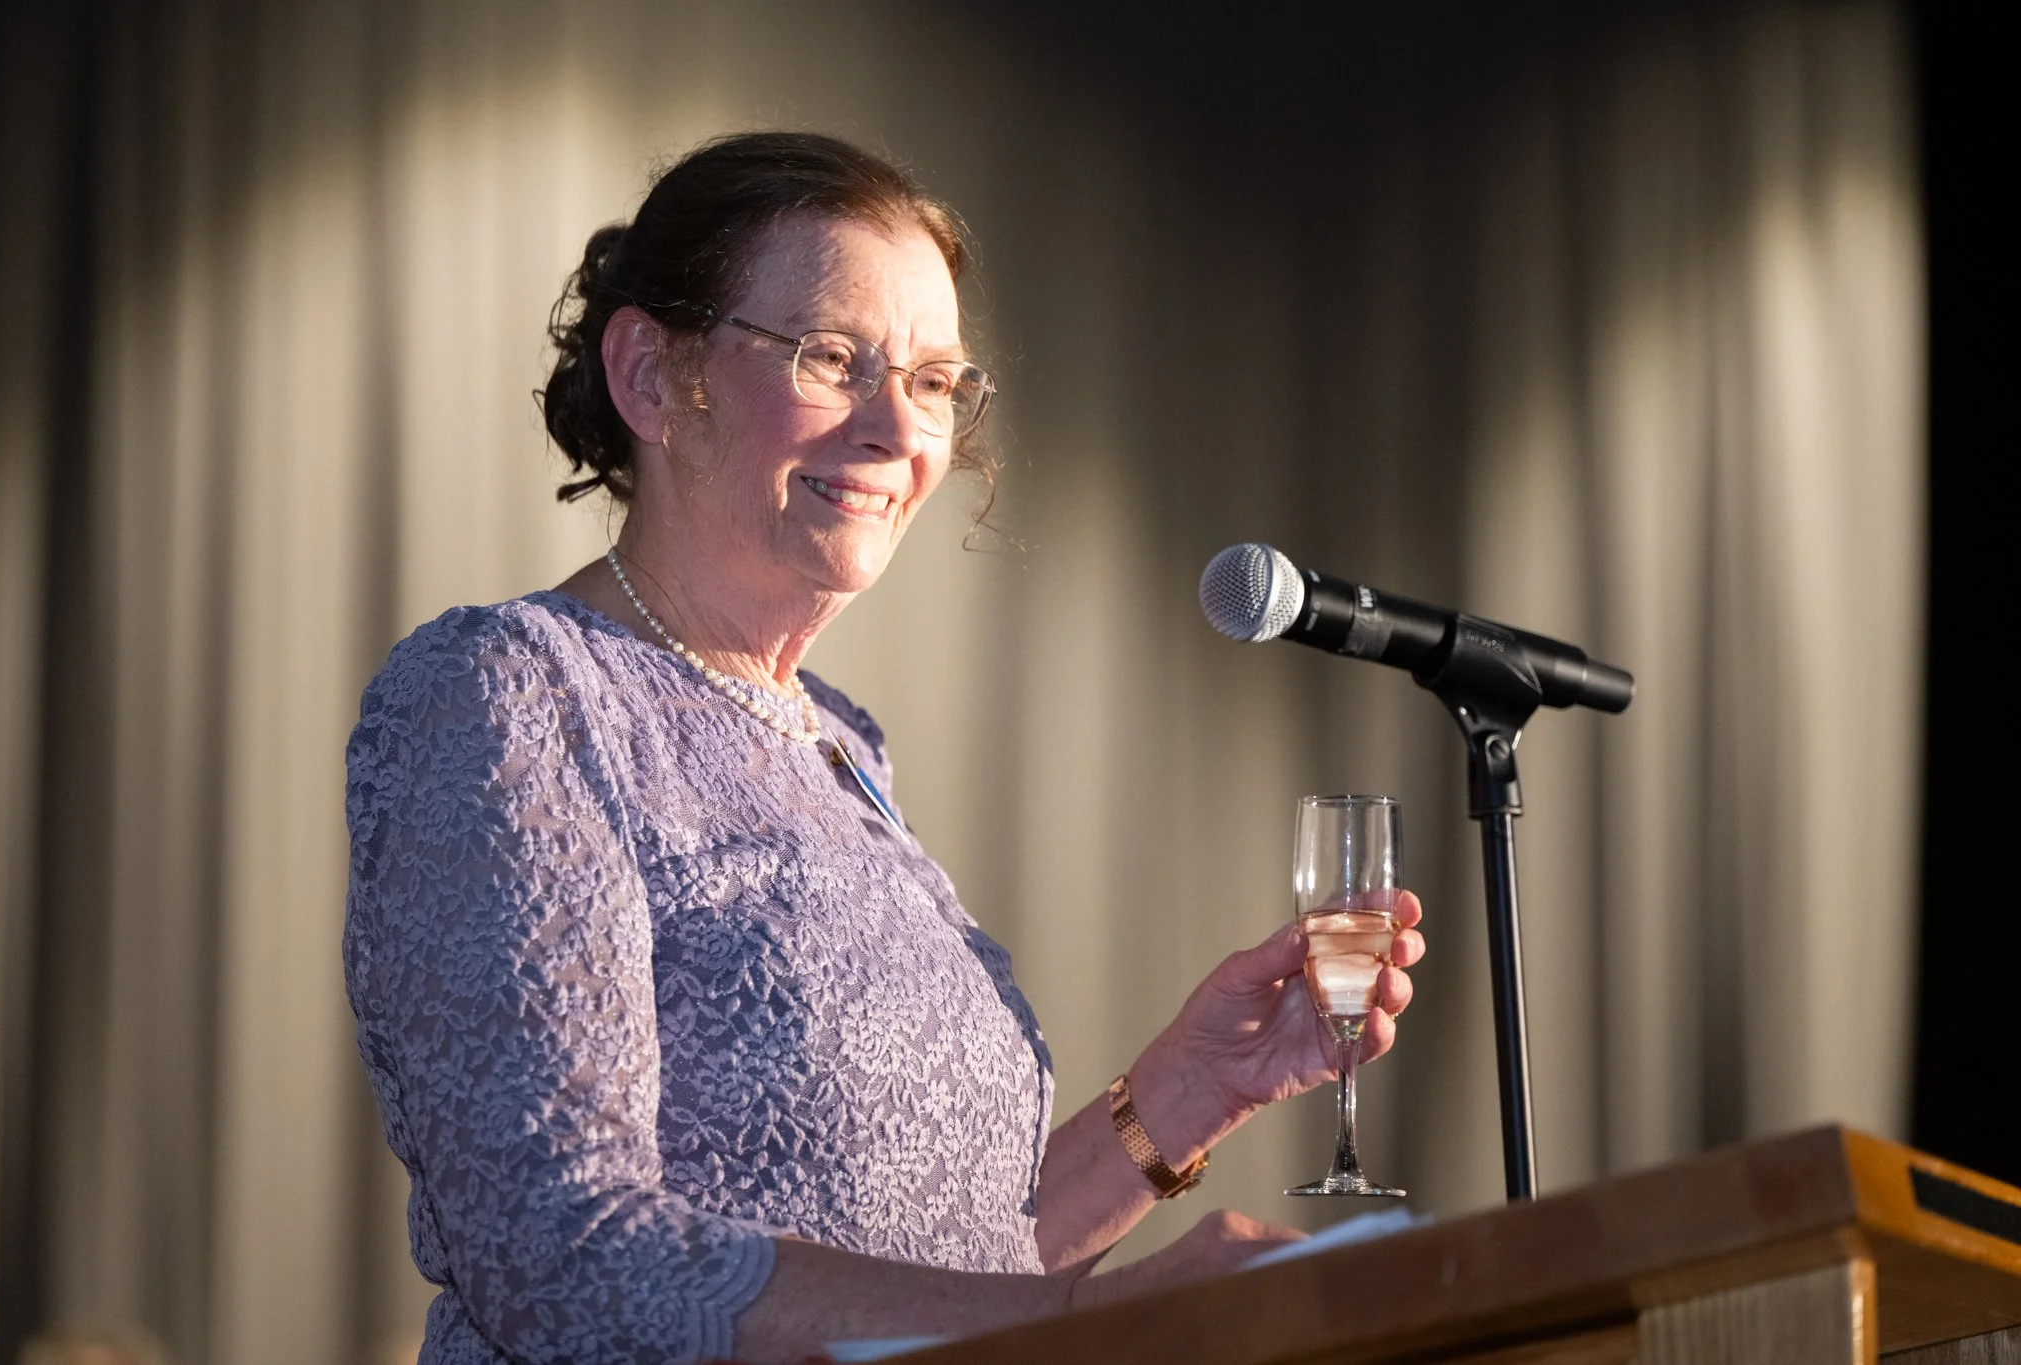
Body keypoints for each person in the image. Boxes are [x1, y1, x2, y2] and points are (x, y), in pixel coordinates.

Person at [343, 131, 1426, 1365]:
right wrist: (1122, 1319)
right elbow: (560, 1252)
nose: (893, 430)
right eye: (831, 358)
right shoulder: (509, 693)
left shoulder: (842, 745)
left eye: (929, 380)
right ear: (650, 374)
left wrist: (1185, 1091)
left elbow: (940, 1273)